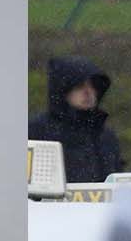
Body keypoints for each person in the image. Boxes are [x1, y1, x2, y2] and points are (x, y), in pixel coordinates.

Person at [32, 57, 124, 186]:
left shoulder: (105, 135)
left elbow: (116, 182)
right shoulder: (37, 131)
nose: (88, 92)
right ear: (63, 90)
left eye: (93, 85)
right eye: (79, 86)